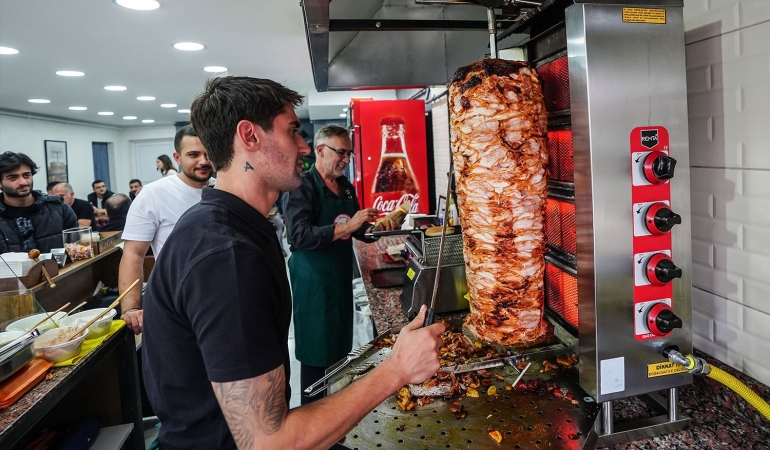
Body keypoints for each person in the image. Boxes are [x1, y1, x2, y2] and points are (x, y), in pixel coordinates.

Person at [141, 76, 444, 450]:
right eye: (293, 131)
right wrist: (397, 369)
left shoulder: (233, 225)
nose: (304, 147)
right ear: (249, 136)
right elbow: (270, 443)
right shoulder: (227, 257)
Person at [284, 124, 396, 405]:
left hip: (339, 279)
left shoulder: (345, 187)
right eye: (341, 153)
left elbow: (358, 231)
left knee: (338, 350)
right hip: (313, 284)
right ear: (320, 150)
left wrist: (378, 228)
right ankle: (311, 426)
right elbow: (298, 236)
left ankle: (333, 418)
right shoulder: (302, 186)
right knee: (316, 352)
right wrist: (350, 224)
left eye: (349, 154)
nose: (347, 160)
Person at [118, 125, 214, 333]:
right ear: (177, 158)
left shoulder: (223, 189)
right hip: (175, 301)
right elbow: (134, 253)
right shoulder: (153, 194)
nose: (203, 161)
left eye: (208, 153)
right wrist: (132, 307)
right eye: (193, 154)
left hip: (219, 297)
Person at [0, 152, 77, 253]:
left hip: (59, 268)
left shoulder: (59, 208)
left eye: (27, 175)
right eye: (13, 178)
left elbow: (77, 249)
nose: (23, 182)